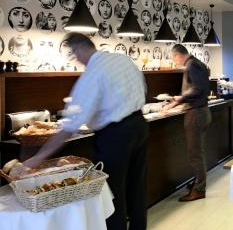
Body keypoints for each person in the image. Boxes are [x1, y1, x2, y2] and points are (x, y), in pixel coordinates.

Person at [25, 32, 148, 230]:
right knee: (137, 187)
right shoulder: (122, 59)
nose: (76, 60)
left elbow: (70, 126)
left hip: (115, 135)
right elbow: (143, 87)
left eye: (73, 54)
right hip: (139, 125)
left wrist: (39, 157)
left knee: (112, 193)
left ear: (80, 48)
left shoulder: (92, 73)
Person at [161, 44, 211, 202]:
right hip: (202, 111)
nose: (175, 62)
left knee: (195, 154)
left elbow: (197, 90)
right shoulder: (198, 63)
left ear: (177, 55)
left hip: (196, 114)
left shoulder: (191, 65)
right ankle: (198, 182)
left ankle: (199, 189)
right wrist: (172, 104)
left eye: (173, 59)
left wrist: (179, 98)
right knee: (197, 151)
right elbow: (199, 90)